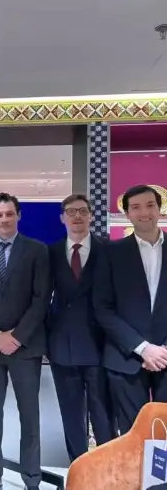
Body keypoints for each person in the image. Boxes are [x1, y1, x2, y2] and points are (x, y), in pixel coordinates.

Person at [0, 192, 51, 490]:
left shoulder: (37, 250)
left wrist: (15, 337)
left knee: (29, 416)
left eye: (9, 214)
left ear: (18, 216)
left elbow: (41, 299)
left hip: (25, 347)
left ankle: (32, 479)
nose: (4, 219)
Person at [47, 194, 116, 462]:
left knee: (103, 414)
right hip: (62, 346)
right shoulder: (51, 253)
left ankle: (107, 467)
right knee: (71, 413)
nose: (77, 216)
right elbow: (41, 298)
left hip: (101, 345)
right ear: (62, 218)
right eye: (71, 211)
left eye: (83, 211)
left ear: (91, 216)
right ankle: (78, 466)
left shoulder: (109, 250)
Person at [94, 184, 167, 434]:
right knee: (132, 435)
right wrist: (144, 348)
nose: (144, 212)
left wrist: (162, 350)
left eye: (150, 205)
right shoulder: (111, 252)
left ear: (160, 209)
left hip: (166, 355)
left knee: (164, 434)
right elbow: (102, 308)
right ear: (127, 214)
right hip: (126, 359)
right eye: (135, 207)